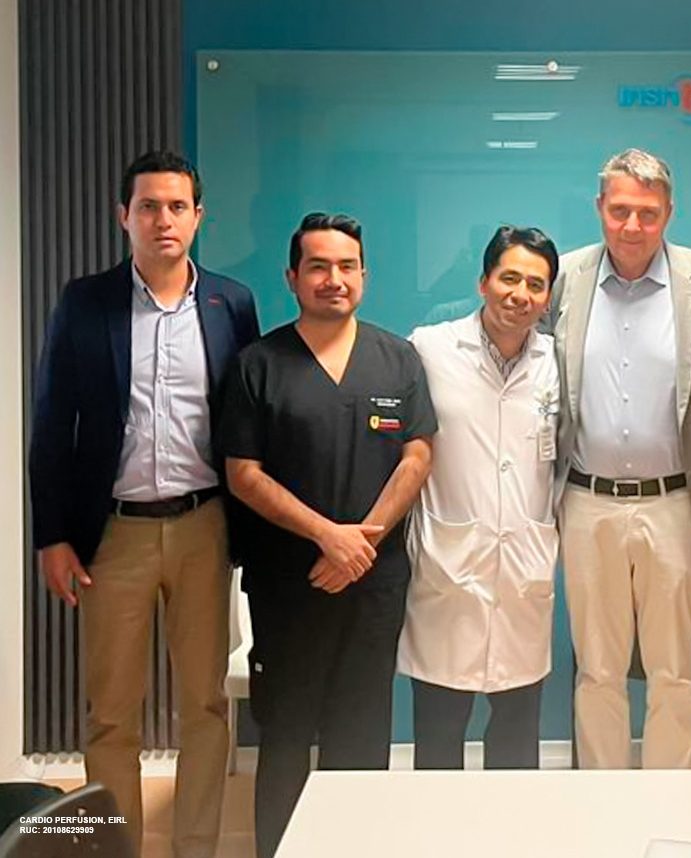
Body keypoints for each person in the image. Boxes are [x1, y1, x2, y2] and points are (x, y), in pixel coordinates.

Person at [29, 150, 260, 857]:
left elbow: (247, 422)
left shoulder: (230, 303)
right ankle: (115, 849)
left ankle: (196, 847)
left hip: (203, 526)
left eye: (177, 206)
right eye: (150, 206)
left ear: (198, 217)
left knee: (205, 706)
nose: (164, 220)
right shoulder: (85, 302)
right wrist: (52, 535)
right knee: (111, 714)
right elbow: (52, 422)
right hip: (113, 533)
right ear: (123, 216)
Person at [218, 212, 436, 858]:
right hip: (289, 585)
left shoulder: (397, 360)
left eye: (346, 266)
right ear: (292, 277)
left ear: (364, 276)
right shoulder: (257, 365)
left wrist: (360, 544)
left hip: (373, 583)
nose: (333, 279)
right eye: (318, 266)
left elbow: (418, 455)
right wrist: (327, 537)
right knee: (285, 736)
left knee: (363, 734)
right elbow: (243, 474)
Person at [544, 148, 691, 769]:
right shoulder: (565, 279)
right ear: (599, 207)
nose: (632, 226)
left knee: (675, 669)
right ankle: (605, 798)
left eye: (648, 213)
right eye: (620, 210)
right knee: (597, 668)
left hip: (676, 504)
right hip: (586, 501)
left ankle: (668, 799)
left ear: (669, 213)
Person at [398, 225, 561, 769]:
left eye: (536, 284)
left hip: (522, 569)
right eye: (509, 278)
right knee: (439, 734)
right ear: (483, 281)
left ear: (548, 297)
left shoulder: (556, 363)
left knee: (517, 737)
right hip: (450, 565)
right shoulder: (430, 348)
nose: (520, 295)